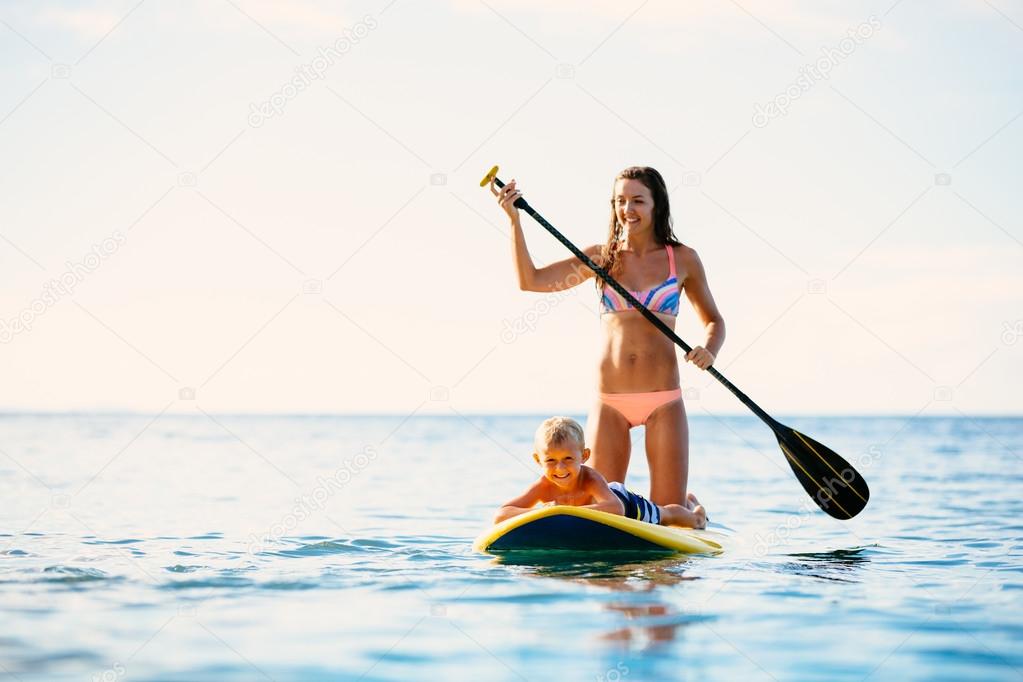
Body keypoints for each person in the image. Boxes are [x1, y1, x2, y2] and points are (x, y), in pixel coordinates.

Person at [491, 167, 725, 510]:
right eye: (620, 201)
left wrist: (709, 349)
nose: (627, 209)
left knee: (669, 515)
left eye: (637, 200)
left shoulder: (683, 259)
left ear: (657, 204)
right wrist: (514, 220)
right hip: (610, 401)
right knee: (598, 509)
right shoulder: (602, 258)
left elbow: (714, 321)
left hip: (664, 400)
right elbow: (532, 280)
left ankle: (692, 510)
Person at [493, 417, 706, 528]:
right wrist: (545, 511)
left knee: (664, 515)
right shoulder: (543, 486)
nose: (560, 468)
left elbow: (616, 508)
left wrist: (565, 512)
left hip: (626, 503)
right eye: (550, 460)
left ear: (584, 456)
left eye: (568, 459)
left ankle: (696, 515)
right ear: (538, 460)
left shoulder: (590, 478)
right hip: (595, 511)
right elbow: (501, 514)